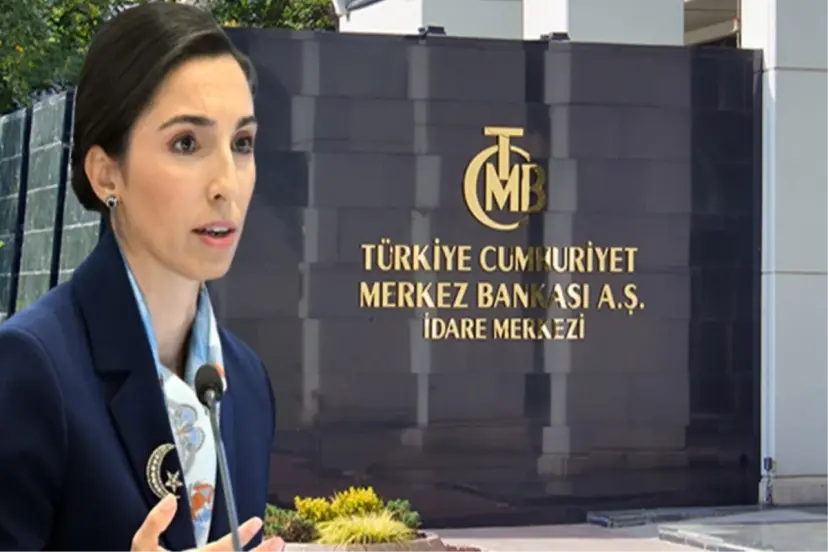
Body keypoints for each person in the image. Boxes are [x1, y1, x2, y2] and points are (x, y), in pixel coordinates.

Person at [0, 3, 283, 551]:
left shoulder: (246, 383)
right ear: (106, 173)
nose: (227, 183)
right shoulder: (29, 369)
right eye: (186, 143)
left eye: (242, 143)